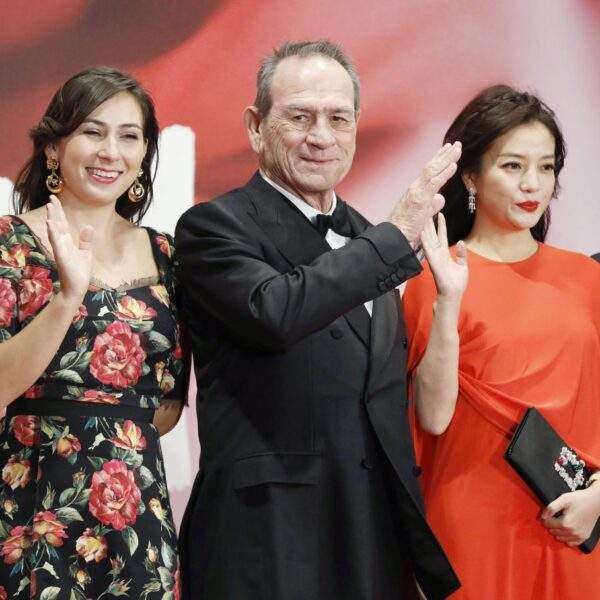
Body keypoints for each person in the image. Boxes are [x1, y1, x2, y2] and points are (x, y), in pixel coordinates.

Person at [176, 39, 461, 600]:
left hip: (371, 535)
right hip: (268, 538)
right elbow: (275, 311)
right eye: (299, 117)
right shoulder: (213, 227)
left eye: (338, 118)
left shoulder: (369, 238)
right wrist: (392, 238)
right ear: (256, 127)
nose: (321, 136)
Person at [403, 84, 600, 599]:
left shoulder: (587, 279)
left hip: (574, 521)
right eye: (512, 166)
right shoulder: (433, 280)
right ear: (471, 175)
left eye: (546, 167)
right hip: (471, 521)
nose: (532, 184)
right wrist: (448, 300)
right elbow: (433, 418)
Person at [0, 67, 188, 600]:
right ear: (54, 147)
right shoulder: (10, 243)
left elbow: (169, 402)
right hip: (35, 502)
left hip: (138, 514)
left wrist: (111, 435)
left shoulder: (167, 254)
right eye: (92, 131)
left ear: (144, 153)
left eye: (129, 136)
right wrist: (66, 299)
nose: (110, 152)